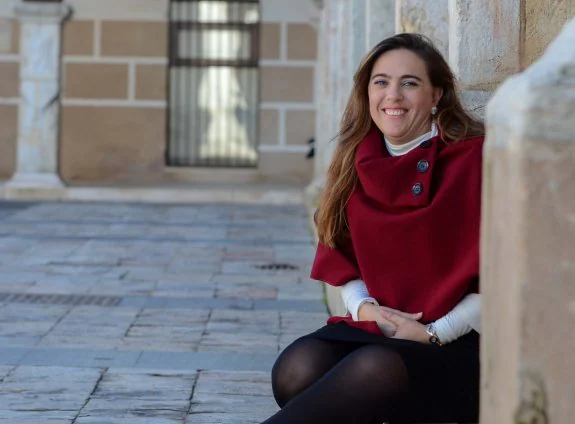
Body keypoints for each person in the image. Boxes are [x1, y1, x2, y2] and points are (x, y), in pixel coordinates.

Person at [260, 33, 485, 424]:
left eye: (409, 83)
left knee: (373, 368)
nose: (392, 95)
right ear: (367, 93)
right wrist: (366, 308)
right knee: (295, 370)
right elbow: (342, 258)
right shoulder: (355, 158)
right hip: (378, 329)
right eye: (381, 82)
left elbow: (508, 276)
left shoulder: (474, 159)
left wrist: (434, 333)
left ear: (437, 95)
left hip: (460, 341)